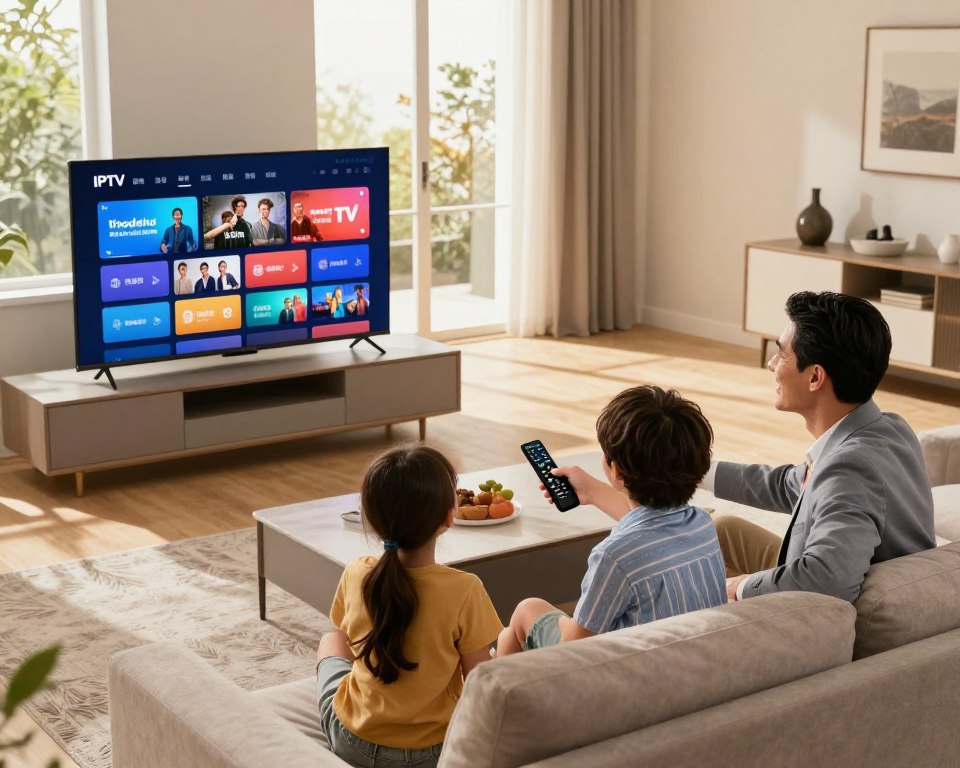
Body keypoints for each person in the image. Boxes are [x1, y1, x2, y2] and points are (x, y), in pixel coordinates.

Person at [705, 291, 935, 604]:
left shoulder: (850, 468)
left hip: (825, 617)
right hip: (834, 569)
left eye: (781, 354)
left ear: (815, 377)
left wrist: (740, 587)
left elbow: (827, 579)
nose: (772, 364)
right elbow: (790, 485)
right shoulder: (890, 428)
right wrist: (695, 471)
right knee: (722, 529)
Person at [497, 385, 726, 656]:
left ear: (616, 470)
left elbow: (575, 647)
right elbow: (653, 528)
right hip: (692, 660)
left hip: (629, 673)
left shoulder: (614, 556)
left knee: (526, 611)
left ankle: (493, 677)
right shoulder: (702, 524)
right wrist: (592, 491)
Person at [315, 445, 502, 767]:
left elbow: (349, 638)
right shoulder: (464, 589)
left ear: (371, 519)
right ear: (450, 516)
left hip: (353, 742)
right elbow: (478, 681)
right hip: (433, 751)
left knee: (331, 640)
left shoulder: (357, 571)